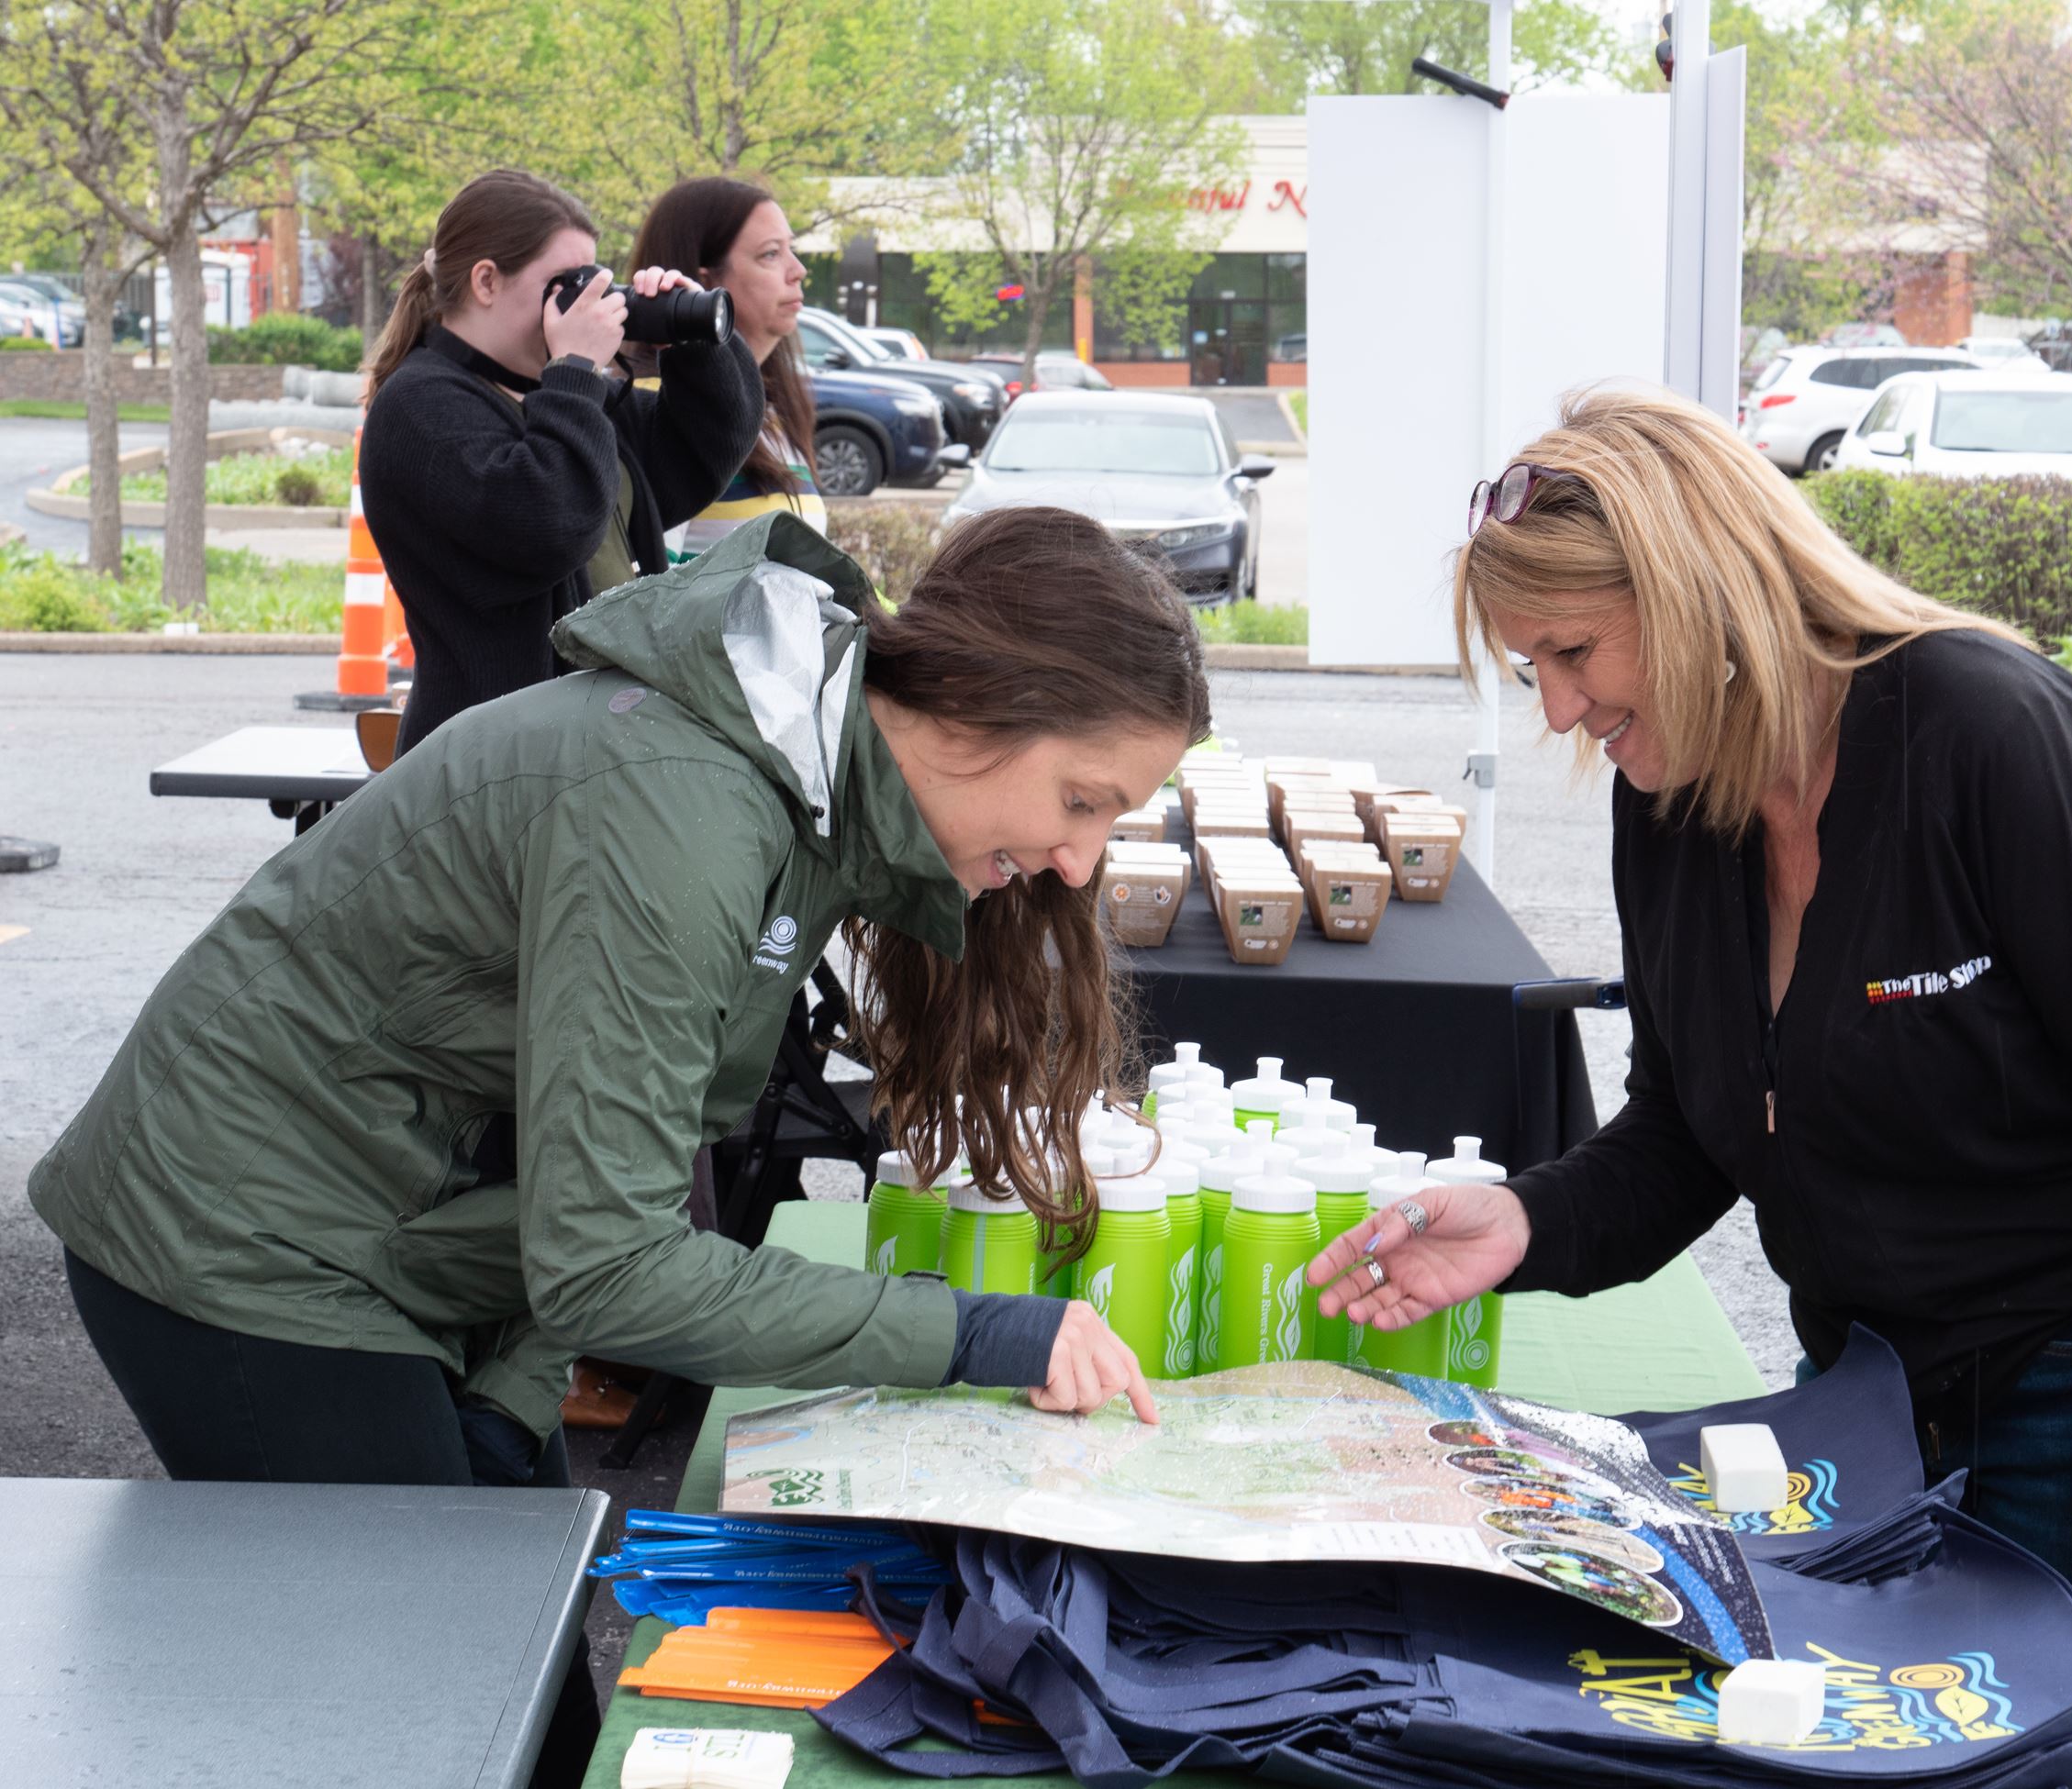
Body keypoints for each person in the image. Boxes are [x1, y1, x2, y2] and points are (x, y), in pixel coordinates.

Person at [32, 504, 1202, 1786]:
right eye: (1083, 800)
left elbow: (602, 1155)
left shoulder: (800, 783)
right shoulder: (689, 807)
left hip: (415, 1227)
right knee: (417, 1715)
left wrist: (515, 1383)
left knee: (530, 1697)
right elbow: (612, 1257)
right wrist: (974, 1335)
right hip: (240, 1234)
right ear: (975, 702)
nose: (1082, 862)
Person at [1308, 387, 2072, 1789]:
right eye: (1529, 668)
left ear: (1693, 591)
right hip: (1891, 1391)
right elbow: (1693, 1131)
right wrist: (1524, 1223)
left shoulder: (1986, 730)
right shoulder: (1668, 804)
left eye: (1570, 651)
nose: (1559, 708)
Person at [358, 168, 764, 755]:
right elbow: (548, 525)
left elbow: (702, 454)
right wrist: (575, 370)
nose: (579, 303)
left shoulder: (559, 399)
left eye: (590, 282)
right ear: (487, 282)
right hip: (489, 770)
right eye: (561, 284)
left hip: (594, 758)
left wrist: (696, 344)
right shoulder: (420, 406)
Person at [627, 176, 830, 554]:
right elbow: (643, 593)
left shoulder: (772, 411)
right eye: (770, 254)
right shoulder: (659, 408)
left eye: (792, 249)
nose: (798, 269)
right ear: (704, 284)